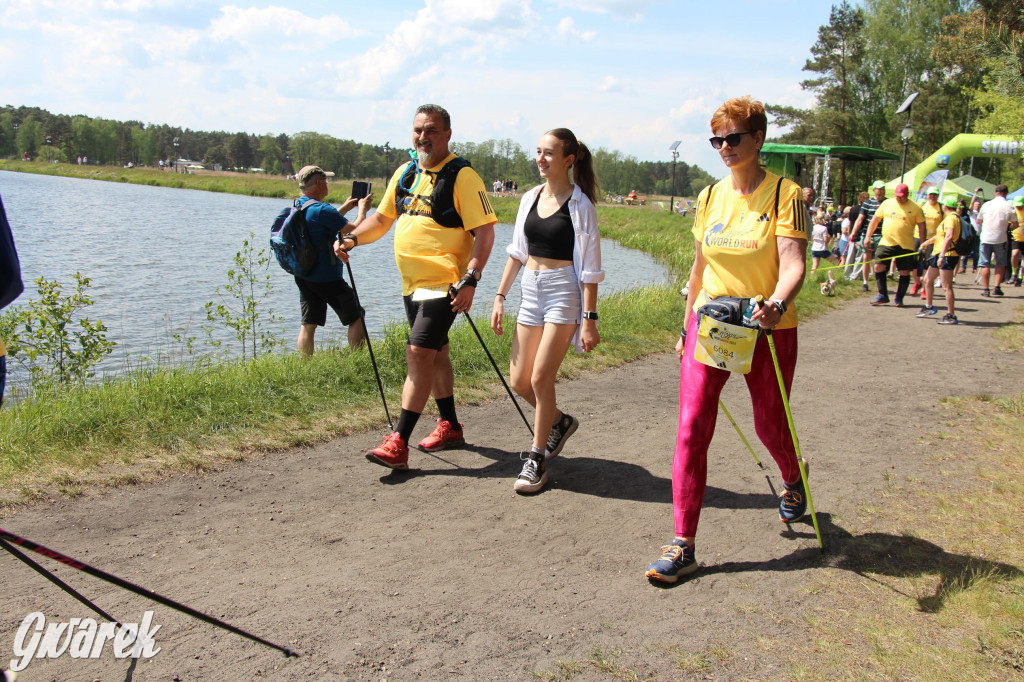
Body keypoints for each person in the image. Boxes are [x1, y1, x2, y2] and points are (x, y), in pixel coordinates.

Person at [644, 96, 809, 584]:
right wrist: (683, 326)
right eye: (717, 139)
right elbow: (699, 268)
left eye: (733, 138)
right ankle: (683, 544)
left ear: (758, 139)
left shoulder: (786, 195)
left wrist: (776, 303)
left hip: (766, 325)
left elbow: (795, 264)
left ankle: (793, 480)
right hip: (712, 321)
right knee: (692, 426)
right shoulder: (710, 196)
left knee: (768, 425)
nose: (724, 147)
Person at [336, 104, 496, 469]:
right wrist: (351, 240)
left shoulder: (463, 176)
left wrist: (471, 277)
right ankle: (450, 426)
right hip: (412, 284)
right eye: (418, 130)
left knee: (419, 353)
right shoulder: (406, 172)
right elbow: (380, 218)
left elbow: (485, 231)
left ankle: (399, 442)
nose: (423, 137)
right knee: (436, 353)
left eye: (431, 130)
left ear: (447, 135)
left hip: (445, 284)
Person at [490, 128, 603, 494]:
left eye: (549, 153)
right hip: (530, 290)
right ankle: (559, 422)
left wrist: (589, 319)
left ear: (569, 160)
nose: (541, 158)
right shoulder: (529, 197)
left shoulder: (580, 205)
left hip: (563, 291)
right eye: (538, 151)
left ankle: (536, 458)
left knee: (541, 379)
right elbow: (518, 252)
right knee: (520, 381)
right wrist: (500, 295)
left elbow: (590, 269)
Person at [289, 166, 371, 355]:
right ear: (319, 183)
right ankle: (357, 360)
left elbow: (320, 223)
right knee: (357, 315)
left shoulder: (298, 205)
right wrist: (362, 210)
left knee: (308, 323)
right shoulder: (323, 210)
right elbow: (354, 228)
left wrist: (344, 208)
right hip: (326, 277)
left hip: (303, 274)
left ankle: (305, 367)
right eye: (326, 181)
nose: (327, 186)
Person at [863, 183, 925, 307]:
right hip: (886, 242)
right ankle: (883, 295)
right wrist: (868, 236)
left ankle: (899, 298)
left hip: (906, 244)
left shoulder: (916, 208)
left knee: (904, 271)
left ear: (907, 195)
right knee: (878, 267)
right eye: (897, 196)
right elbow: (875, 220)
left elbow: (922, 226)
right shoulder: (887, 203)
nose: (899, 198)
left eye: (902, 196)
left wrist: (923, 244)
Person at [918, 195, 961, 325]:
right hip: (939, 253)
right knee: (927, 280)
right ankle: (929, 306)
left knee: (947, 286)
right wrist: (927, 242)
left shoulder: (951, 219)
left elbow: (949, 236)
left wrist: (942, 255)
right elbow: (940, 235)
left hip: (947, 255)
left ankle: (951, 314)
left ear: (945, 206)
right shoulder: (951, 218)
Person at [977, 184, 1018, 296]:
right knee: (1001, 263)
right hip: (1001, 238)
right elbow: (1015, 224)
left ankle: (986, 289)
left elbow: (978, 221)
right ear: (1006, 193)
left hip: (985, 237)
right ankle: (997, 287)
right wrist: (1008, 227)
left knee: (985, 264)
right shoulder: (1008, 206)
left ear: (995, 193)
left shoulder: (986, 205)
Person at [850, 181, 887, 291]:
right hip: (868, 235)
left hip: (883, 235)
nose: (880, 191)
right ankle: (865, 282)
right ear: (874, 190)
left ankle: (880, 282)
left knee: (880, 260)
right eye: (879, 189)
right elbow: (860, 219)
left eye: (882, 189)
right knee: (866, 258)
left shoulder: (887, 202)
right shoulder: (867, 203)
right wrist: (853, 232)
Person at [914, 187, 943, 297]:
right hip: (918, 236)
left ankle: (925, 289)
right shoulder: (921, 206)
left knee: (927, 263)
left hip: (932, 238)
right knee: (915, 262)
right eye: (930, 195)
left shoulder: (940, 208)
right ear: (926, 195)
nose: (932, 197)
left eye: (935, 195)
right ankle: (917, 283)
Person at [1011, 196, 1024, 286]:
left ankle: (1020, 275)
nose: (1018, 207)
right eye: (1017, 205)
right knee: (1015, 254)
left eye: (1020, 205)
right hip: (1016, 237)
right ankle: (1014, 272)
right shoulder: (1013, 210)